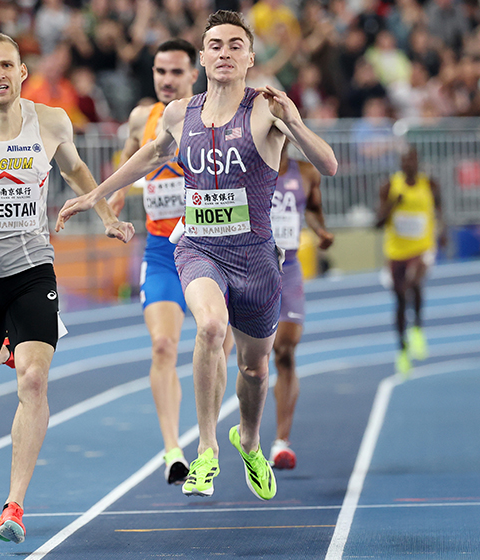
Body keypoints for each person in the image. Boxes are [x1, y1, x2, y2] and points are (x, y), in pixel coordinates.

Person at [57, 11, 338, 501]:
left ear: (250, 57)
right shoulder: (177, 113)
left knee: (255, 368)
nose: (224, 52)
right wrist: (93, 196)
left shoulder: (266, 109)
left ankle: (247, 440)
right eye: (215, 44)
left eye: (235, 45)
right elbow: (149, 157)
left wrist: (294, 121)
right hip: (198, 248)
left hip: (255, 258)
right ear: (202, 57)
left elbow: (328, 165)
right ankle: (206, 450)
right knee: (209, 327)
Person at [0, 32, 134, 544]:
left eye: (6, 65)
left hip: (32, 270)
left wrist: (104, 213)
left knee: (34, 380)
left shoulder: (50, 121)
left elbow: (79, 172)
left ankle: (14, 506)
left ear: (22, 71)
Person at [107, 38, 234, 486]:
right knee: (163, 346)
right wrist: (117, 195)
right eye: (160, 71)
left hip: (209, 249)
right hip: (161, 251)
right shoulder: (143, 118)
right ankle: (173, 450)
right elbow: (129, 156)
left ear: (193, 75)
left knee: (218, 345)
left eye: (176, 72)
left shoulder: (209, 115)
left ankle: (209, 439)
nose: (166, 80)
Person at [268, 142, 334, 470]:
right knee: (251, 360)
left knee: (285, 350)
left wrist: (320, 230)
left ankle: (282, 440)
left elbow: (311, 209)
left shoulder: (305, 173)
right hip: (254, 268)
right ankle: (248, 432)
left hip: (290, 268)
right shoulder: (249, 168)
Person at [375, 146, 442, 377]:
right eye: (404, 161)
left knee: (414, 281)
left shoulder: (430, 185)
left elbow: (440, 211)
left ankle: (417, 330)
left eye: (412, 160)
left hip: (422, 248)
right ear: (400, 164)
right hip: (396, 253)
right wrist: (394, 203)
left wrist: (442, 232)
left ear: (418, 162)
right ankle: (402, 349)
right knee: (400, 298)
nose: (409, 165)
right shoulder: (389, 187)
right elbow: (377, 223)